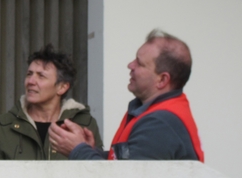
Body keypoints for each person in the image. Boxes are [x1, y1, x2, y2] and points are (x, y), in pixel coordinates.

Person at [48, 29, 204, 161]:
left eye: (140, 63)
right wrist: (91, 151)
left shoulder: (159, 124)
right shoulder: (154, 112)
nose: (130, 65)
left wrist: (78, 149)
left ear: (162, 80)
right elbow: (124, 165)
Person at [0, 44, 102, 160]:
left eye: (41, 76)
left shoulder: (84, 125)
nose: (31, 81)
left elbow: (99, 173)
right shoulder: (2, 127)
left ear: (62, 87)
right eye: (29, 74)